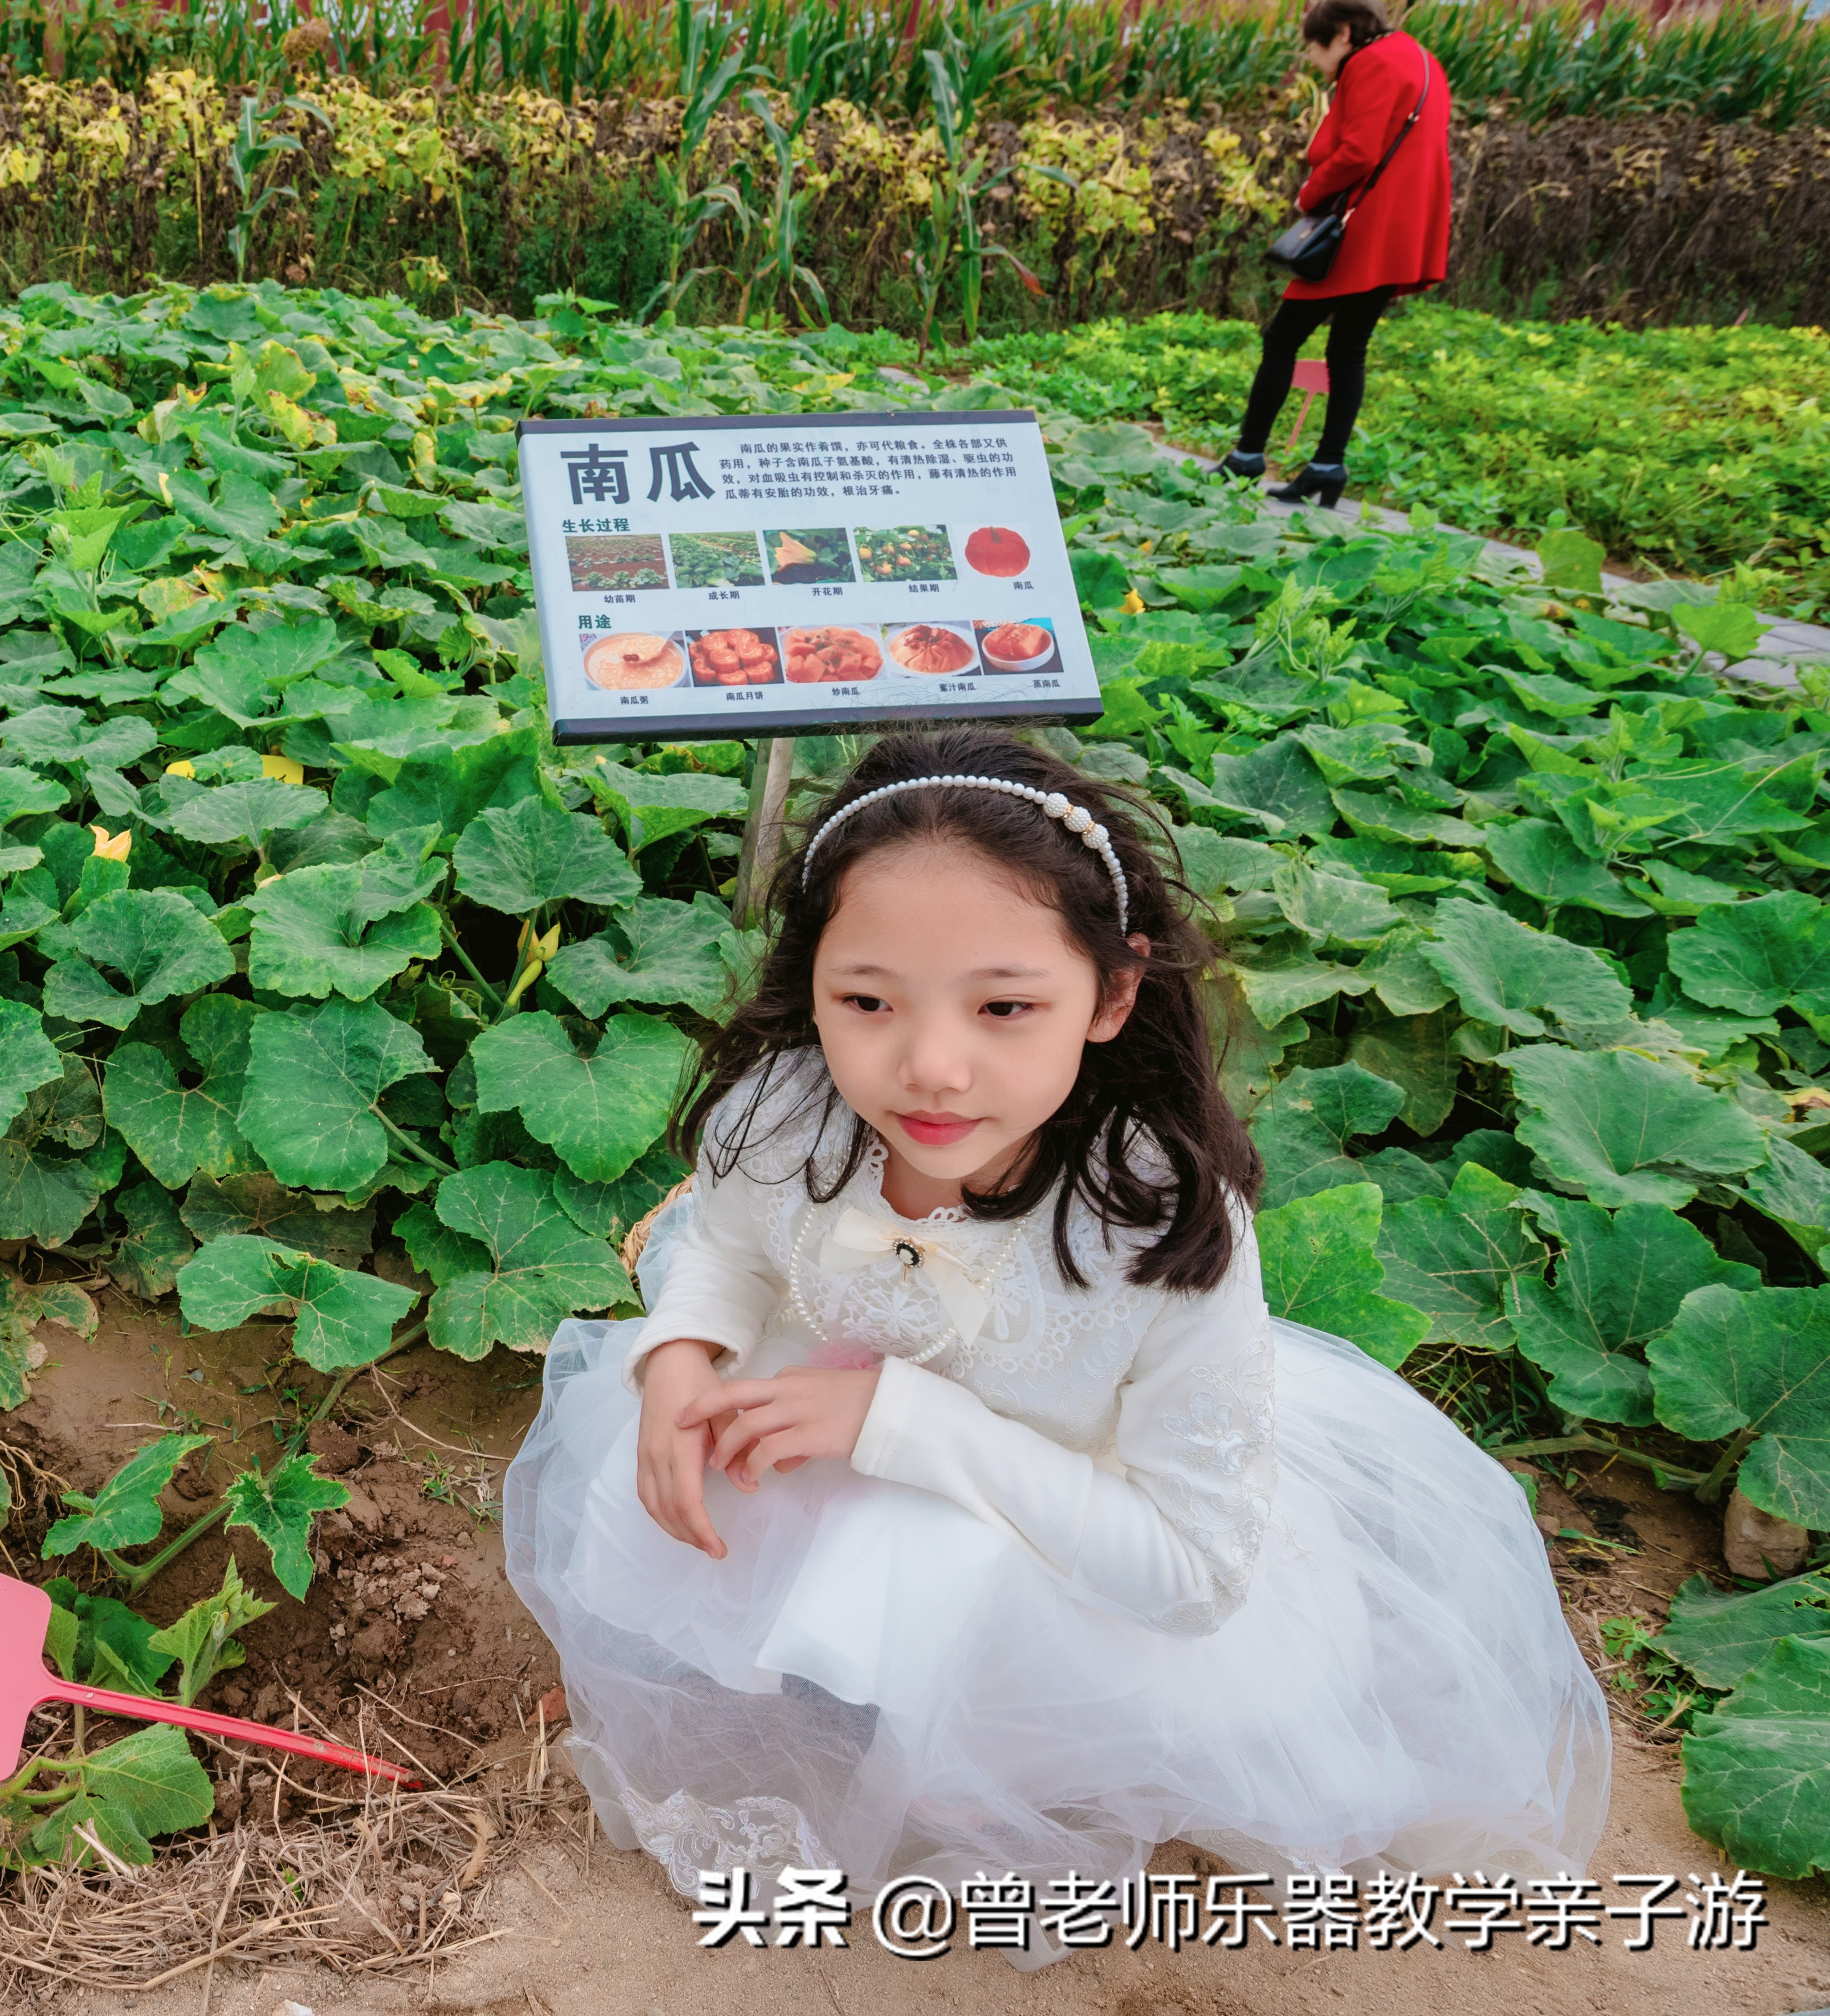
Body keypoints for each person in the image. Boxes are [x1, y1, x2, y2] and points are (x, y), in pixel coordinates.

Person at [501, 728, 1609, 1971]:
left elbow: (1190, 1572)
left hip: (1078, 1533)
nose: (929, 1066)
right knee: (687, 1431)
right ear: (810, 981)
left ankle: (973, 1758)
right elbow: (728, 1242)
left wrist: (896, 1423)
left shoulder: (1153, 1227)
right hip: (847, 1422)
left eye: (1004, 1006)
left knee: (939, 1555)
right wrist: (682, 1355)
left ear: (1111, 994)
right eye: (865, 1000)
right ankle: (808, 1656)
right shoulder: (793, 1110)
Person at [1218, 0, 1454, 509]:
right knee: (1348, 347)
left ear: (1344, 34)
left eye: (1314, 45)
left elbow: (1359, 151)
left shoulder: (1369, 63)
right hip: (1405, 227)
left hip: (1362, 224)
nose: (1312, 58)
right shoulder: (1424, 61)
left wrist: (1310, 194)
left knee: (1282, 338)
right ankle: (1328, 465)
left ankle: (1248, 455)